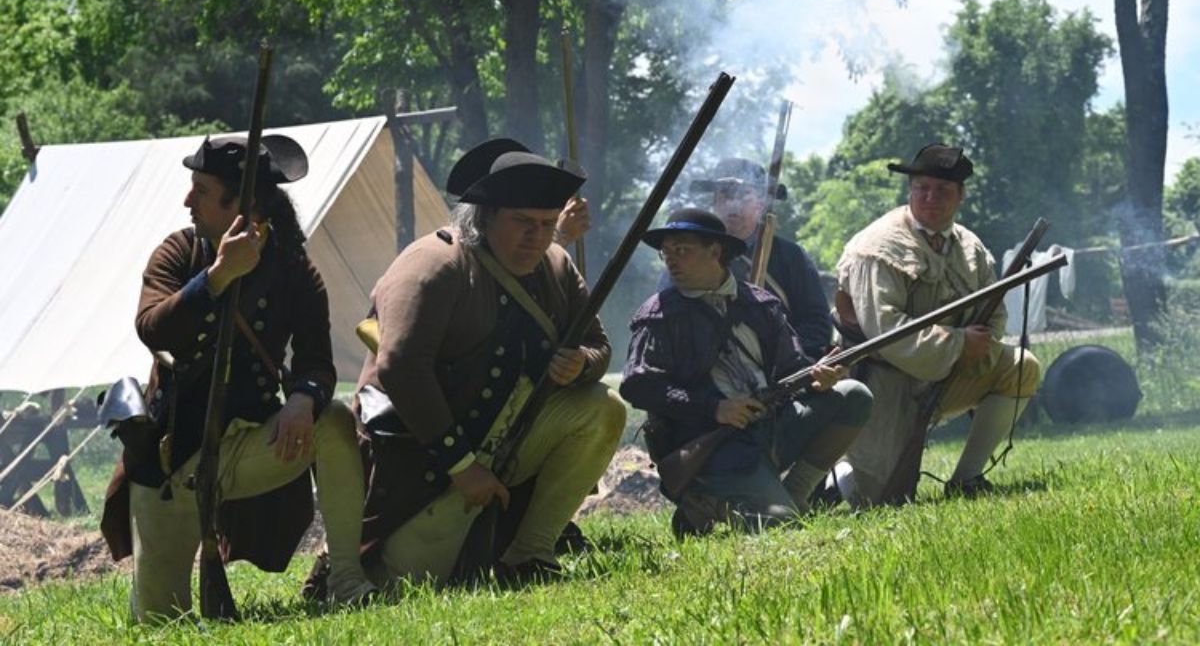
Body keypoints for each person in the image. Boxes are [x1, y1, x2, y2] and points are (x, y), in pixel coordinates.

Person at [100, 134, 374, 622]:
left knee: (332, 421)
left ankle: (347, 580)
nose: (188, 199)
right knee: (160, 622)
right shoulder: (178, 253)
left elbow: (316, 362)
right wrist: (217, 277)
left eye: (201, 189)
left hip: (248, 445)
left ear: (242, 204)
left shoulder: (293, 271)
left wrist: (303, 402)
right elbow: (152, 328)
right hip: (172, 461)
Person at [355, 138, 625, 587]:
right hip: (421, 461)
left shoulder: (555, 265)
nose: (537, 236)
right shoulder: (435, 264)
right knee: (407, 581)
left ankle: (529, 554)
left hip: (507, 443)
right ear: (485, 216)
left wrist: (581, 364)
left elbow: (598, 345)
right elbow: (403, 368)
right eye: (522, 222)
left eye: (544, 223)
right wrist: (462, 466)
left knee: (603, 408)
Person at [621, 208, 873, 537]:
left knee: (853, 396)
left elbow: (792, 368)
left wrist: (817, 379)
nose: (671, 260)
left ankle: (796, 492)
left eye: (682, 250)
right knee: (779, 525)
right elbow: (639, 386)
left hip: (771, 426)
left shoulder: (760, 304)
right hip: (712, 445)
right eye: (667, 251)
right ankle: (705, 501)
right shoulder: (658, 314)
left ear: (715, 252)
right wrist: (714, 408)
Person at [833, 144, 1042, 505]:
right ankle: (833, 471)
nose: (931, 197)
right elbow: (885, 330)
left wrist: (981, 344)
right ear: (910, 190)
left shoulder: (971, 247)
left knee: (1021, 366)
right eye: (922, 188)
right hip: (882, 382)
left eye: (943, 190)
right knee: (879, 501)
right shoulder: (876, 247)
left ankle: (967, 479)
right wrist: (958, 344)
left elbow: (993, 311)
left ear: (960, 195)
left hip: (946, 371)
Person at [692, 157, 833, 357]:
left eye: (743, 195)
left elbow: (817, 325)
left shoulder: (791, 257)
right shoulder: (692, 254)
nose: (733, 204)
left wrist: (782, 358)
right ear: (714, 202)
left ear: (761, 204)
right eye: (725, 194)